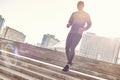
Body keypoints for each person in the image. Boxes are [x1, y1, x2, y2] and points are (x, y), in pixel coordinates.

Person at [62, 1, 92, 72]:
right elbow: (70, 22)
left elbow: (90, 24)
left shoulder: (86, 14)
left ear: (83, 6)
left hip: (78, 33)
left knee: (72, 47)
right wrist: (68, 24)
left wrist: (84, 29)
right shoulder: (73, 14)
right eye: (78, 5)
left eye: (80, 5)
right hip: (71, 32)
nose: (78, 6)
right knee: (67, 48)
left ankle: (68, 65)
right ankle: (69, 62)